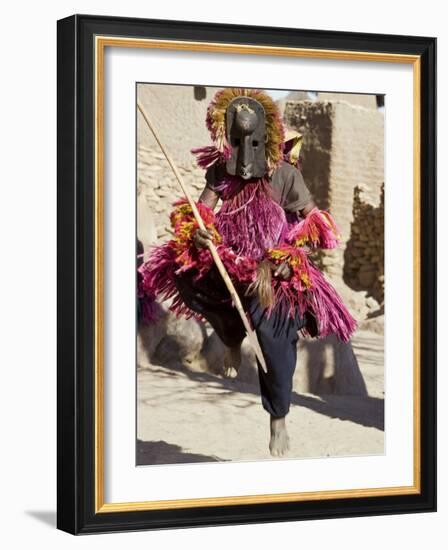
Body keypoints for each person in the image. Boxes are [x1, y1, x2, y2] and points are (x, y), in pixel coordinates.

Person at [139, 88, 356, 456]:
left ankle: (278, 417)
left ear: (267, 138)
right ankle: (231, 339)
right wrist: (199, 229)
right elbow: (200, 211)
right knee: (186, 275)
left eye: (251, 140)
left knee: (274, 339)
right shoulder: (222, 172)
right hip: (228, 260)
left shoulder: (286, 176)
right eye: (236, 140)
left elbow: (315, 223)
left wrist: (285, 256)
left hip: (274, 270)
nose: (244, 148)